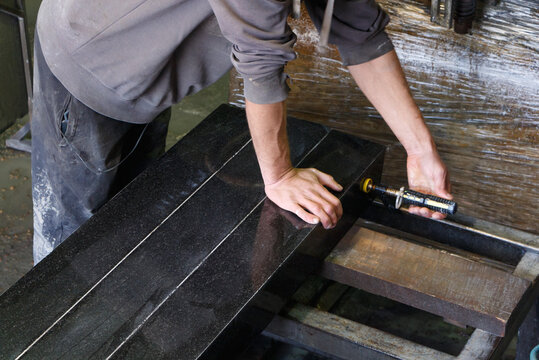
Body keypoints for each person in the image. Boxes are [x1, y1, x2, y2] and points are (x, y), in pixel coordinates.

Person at [31, 0, 452, 264]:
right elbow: (260, 64)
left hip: (151, 64)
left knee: (131, 215)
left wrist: (420, 151)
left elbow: (357, 27)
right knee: (71, 248)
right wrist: (281, 176)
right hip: (86, 54)